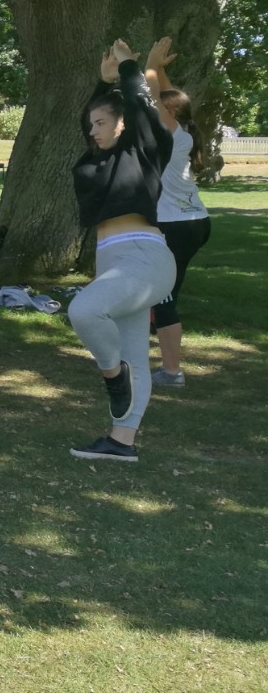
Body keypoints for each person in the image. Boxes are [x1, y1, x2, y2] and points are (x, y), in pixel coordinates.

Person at [64, 40, 177, 463]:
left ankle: (114, 379)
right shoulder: (94, 162)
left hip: (145, 258)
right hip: (113, 260)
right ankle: (121, 441)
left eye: (101, 123)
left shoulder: (144, 151)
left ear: (123, 123)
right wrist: (103, 82)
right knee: (134, 357)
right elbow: (92, 120)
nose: (93, 130)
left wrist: (130, 68)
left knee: (84, 310)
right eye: (90, 124)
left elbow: (141, 108)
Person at [144, 36, 210, 388]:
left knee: (163, 298)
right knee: (163, 291)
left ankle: (172, 373)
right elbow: (171, 100)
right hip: (194, 222)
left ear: (169, 115)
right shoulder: (183, 130)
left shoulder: (171, 134)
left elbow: (155, 98)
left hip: (175, 226)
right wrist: (161, 71)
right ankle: (143, 346)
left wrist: (149, 65)